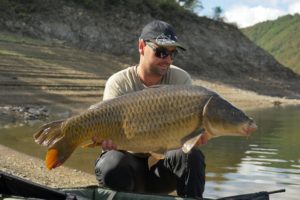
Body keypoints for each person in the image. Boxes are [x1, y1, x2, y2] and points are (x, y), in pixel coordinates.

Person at [93, 20, 207, 199]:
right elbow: (108, 132)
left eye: (172, 54)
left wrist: (193, 138)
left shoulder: (181, 79)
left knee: (192, 155)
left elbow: (185, 138)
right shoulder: (119, 83)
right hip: (130, 169)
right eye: (161, 52)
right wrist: (108, 142)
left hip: (163, 173)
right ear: (141, 46)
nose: (167, 60)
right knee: (111, 162)